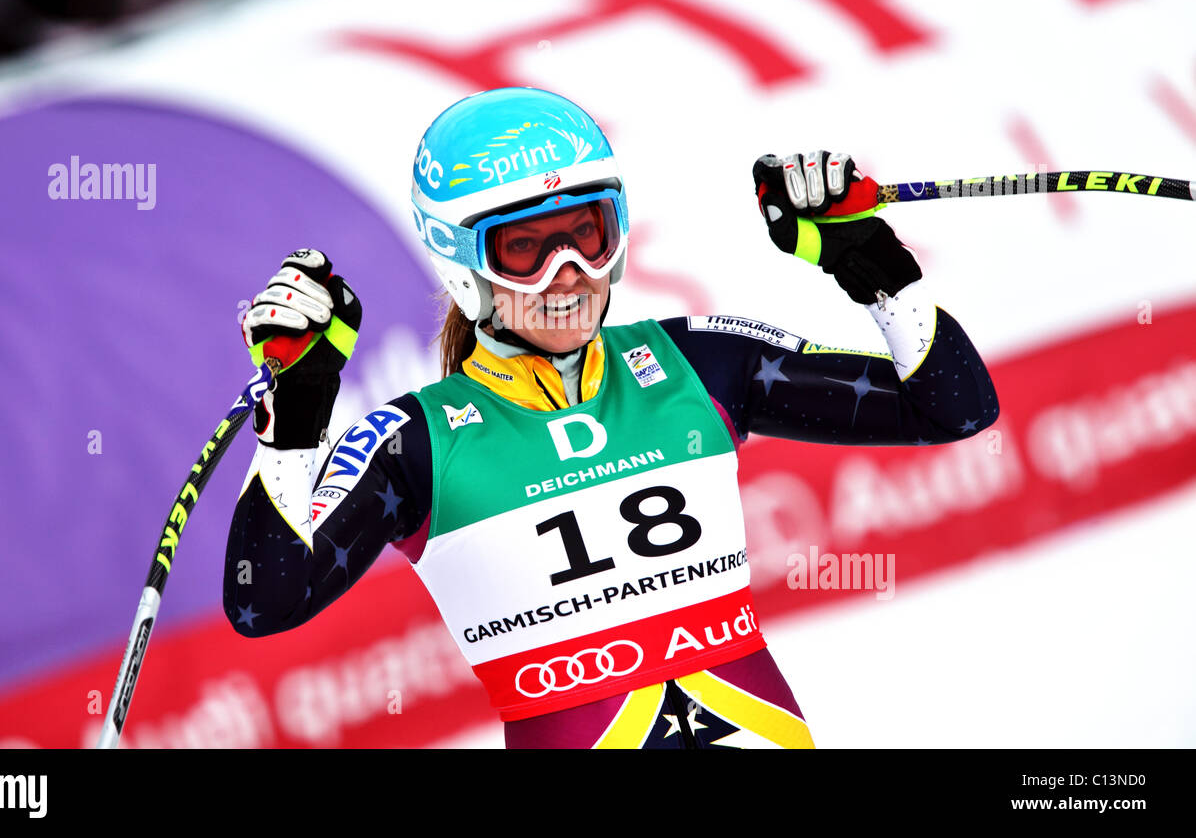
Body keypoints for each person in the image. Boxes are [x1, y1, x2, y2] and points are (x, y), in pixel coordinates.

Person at [224, 86, 999, 749]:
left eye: (586, 234)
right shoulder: (414, 443)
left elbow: (956, 408)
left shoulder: (699, 361)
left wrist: (870, 260)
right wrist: (295, 419)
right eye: (525, 249)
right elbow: (264, 600)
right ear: (463, 268)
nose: (569, 275)